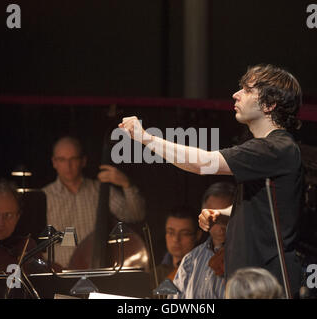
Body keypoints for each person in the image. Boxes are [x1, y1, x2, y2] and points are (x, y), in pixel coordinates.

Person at [119, 64, 304, 296]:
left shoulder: (275, 148)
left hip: (268, 282)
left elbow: (202, 164)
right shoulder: (269, 149)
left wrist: (146, 138)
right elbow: (265, 206)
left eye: (247, 90)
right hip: (248, 280)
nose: (235, 95)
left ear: (269, 104)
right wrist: (225, 213)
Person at [42, 136, 146, 268]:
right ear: (54, 162)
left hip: (97, 270)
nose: (68, 165)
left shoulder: (99, 190)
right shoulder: (45, 196)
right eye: (62, 160)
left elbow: (135, 215)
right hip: (60, 274)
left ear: (83, 161)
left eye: (73, 159)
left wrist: (126, 184)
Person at [171, 182, 236, 299]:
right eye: (214, 217)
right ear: (203, 216)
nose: (221, 224)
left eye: (225, 217)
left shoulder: (246, 254)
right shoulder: (190, 260)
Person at [155, 206, 202, 286]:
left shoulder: (203, 268)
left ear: (198, 235)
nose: (176, 239)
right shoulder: (155, 274)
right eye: (171, 232)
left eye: (184, 233)